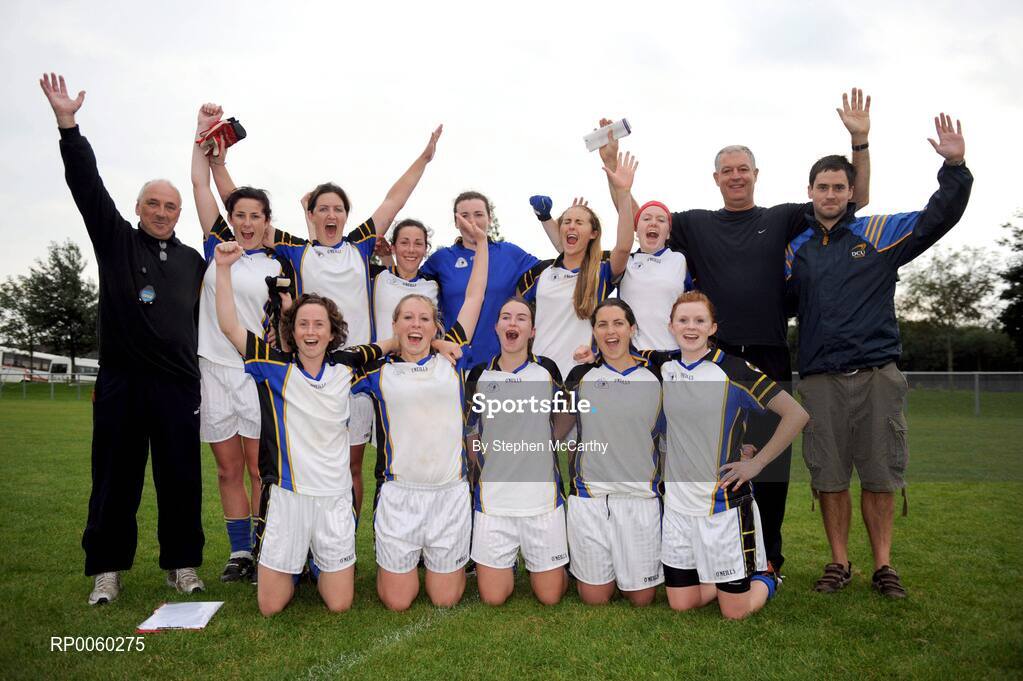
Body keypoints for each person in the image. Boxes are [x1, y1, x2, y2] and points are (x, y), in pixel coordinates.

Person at [596, 89, 873, 576]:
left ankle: (769, 560)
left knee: (767, 467)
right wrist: (617, 178)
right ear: (717, 179)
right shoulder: (697, 224)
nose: (736, 176)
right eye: (727, 170)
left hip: (766, 353)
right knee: (710, 459)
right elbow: (646, 223)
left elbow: (853, 202)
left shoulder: (782, 216)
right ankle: (711, 552)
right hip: (713, 358)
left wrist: (859, 144)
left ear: (755, 175)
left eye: (743, 169)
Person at [210, 127, 442, 522]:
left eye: (338, 208)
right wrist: (218, 165)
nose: (331, 214)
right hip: (311, 374)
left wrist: (424, 158)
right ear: (312, 216)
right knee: (310, 463)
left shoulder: (362, 245)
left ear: (346, 215)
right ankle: (305, 542)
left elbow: (394, 198)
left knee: (351, 467)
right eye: (323, 208)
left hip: (359, 372)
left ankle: (343, 544)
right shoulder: (296, 251)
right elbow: (245, 212)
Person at [786, 114, 971, 598]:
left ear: (852, 192)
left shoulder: (880, 232)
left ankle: (884, 565)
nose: (830, 194)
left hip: (877, 375)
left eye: (838, 187)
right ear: (809, 192)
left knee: (880, 473)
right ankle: (839, 562)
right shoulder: (795, 251)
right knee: (828, 475)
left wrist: (955, 165)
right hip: (820, 379)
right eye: (822, 187)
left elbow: (938, 217)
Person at [40, 73, 206, 604]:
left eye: (171, 207)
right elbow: (86, 186)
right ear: (139, 209)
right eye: (153, 204)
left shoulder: (193, 262)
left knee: (181, 479)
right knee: (115, 479)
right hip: (122, 385)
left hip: (179, 388)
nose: (161, 212)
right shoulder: (115, 242)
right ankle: (106, 570)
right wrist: (69, 124)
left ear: (179, 214)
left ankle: (182, 565)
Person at [213, 240, 401, 614]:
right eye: (303, 324)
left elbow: (393, 342)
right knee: (270, 606)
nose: (311, 331)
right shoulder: (272, 366)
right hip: (288, 499)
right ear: (293, 331)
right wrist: (222, 269)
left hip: (333, 499)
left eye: (319, 324)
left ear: (332, 332)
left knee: (339, 604)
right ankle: (293, 562)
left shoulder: (347, 364)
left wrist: (440, 343)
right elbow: (230, 325)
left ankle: (317, 561)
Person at [352, 215, 489, 611]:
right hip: (400, 495)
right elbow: (336, 362)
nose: (416, 324)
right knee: (398, 602)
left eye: (424, 319)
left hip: (449, 494)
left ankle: (436, 558)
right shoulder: (378, 373)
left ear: (436, 327)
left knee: (445, 600)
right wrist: (388, 345)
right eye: (407, 318)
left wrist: (480, 245)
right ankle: (402, 558)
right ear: (395, 326)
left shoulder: (452, 360)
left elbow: (475, 296)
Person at [644, 291, 808, 619]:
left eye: (699, 320)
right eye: (683, 320)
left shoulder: (735, 369)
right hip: (677, 506)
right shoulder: (664, 366)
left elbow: (796, 415)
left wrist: (757, 463)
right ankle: (722, 582)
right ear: (671, 326)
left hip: (723, 507)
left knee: (736, 612)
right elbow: (618, 349)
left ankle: (767, 576)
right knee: (681, 603)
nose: (691, 327)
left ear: (712, 327)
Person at [191, 103, 290, 582]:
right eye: (239, 214)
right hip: (213, 366)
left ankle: (264, 546)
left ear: (266, 221)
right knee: (228, 470)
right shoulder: (217, 246)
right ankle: (239, 555)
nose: (246, 223)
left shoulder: (277, 263)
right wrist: (200, 136)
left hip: (254, 371)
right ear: (230, 218)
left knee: (258, 469)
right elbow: (198, 185)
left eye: (255, 216)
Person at [559, 299, 664, 606]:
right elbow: (561, 430)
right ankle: (567, 566)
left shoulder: (657, 376)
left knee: (641, 599)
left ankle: (626, 570)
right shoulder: (579, 376)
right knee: (595, 598)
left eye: (618, 323)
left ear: (632, 329)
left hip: (639, 499)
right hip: (591, 499)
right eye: (602, 324)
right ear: (594, 332)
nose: (610, 330)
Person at [464, 297, 569, 606]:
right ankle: (506, 560)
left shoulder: (547, 370)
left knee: (550, 597)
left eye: (521, 318)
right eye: (506, 317)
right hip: (495, 502)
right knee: (493, 598)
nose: (513, 323)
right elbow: (471, 427)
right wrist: (480, 458)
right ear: (497, 326)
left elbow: (567, 412)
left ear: (532, 330)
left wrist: (548, 441)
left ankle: (558, 561)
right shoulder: (480, 375)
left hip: (542, 501)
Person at [517, 153, 637, 378]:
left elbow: (623, 247)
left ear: (593, 234)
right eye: (567, 222)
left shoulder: (600, 271)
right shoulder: (541, 272)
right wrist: (545, 217)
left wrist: (624, 194)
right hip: (538, 375)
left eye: (579, 222)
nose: (571, 226)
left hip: (582, 373)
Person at [422, 191, 557, 366]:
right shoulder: (441, 259)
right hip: (455, 363)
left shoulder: (510, 254)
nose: (472, 221)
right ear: (456, 222)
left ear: (490, 218)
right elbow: (407, 287)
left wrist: (546, 218)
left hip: (501, 365)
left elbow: (561, 267)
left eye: (478, 214)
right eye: (464, 216)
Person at [617, 199, 693, 351]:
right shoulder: (624, 261)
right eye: (646, 219)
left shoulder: (680, 260)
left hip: (674, 353)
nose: (653, 223)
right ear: (636, 230)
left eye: (661, 220)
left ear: (668, 233)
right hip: (632, 355)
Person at [370, 219, 439, 343]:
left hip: (421, 361)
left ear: (425, 250)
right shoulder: (375, 277)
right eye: (404, 243)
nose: (411, 249)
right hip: (380, 361)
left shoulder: (433, 285)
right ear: (393, 248)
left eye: (418, 244)